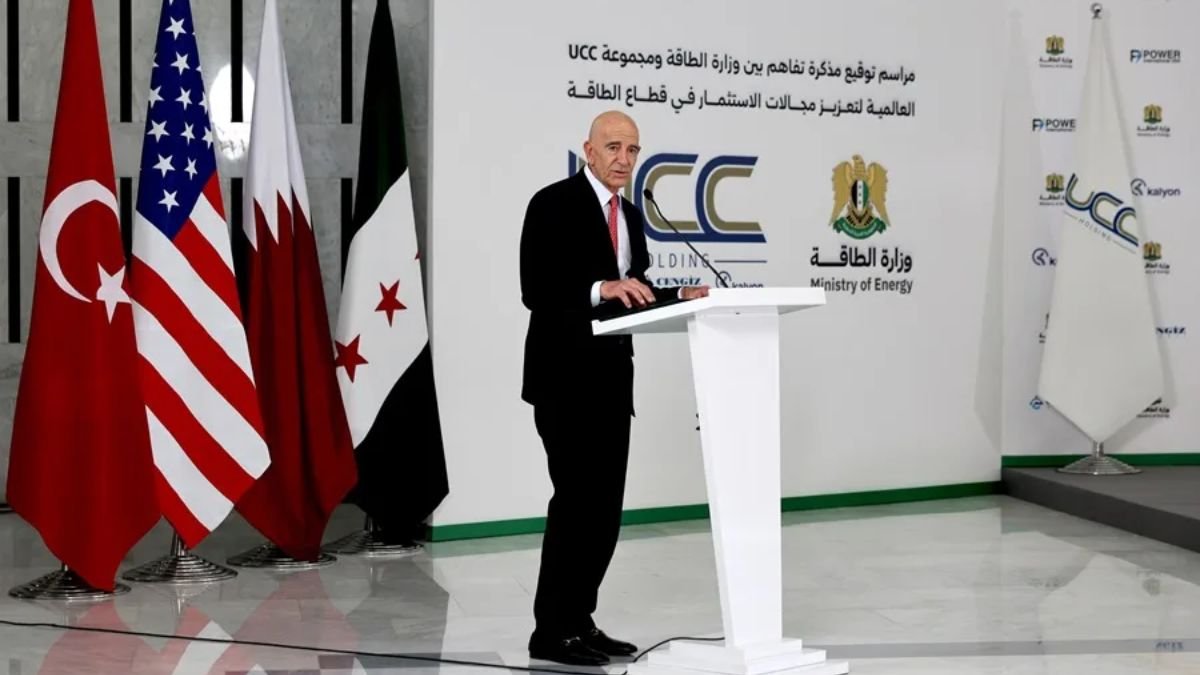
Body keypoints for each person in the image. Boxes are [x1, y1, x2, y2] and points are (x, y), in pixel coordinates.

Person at [519, 110, 710, 666]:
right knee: (575, 506)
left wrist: (678, 295)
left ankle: (580, 622)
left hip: (611, 385)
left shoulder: (631, 215)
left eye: (632, 149)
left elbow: (635, 291)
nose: (624, 158)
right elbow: (536, 287)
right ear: (588, 150)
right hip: (563, 382)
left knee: (604, 513)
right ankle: (550, 632)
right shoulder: (551, 203)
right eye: (613, 147)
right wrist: (599, 287)